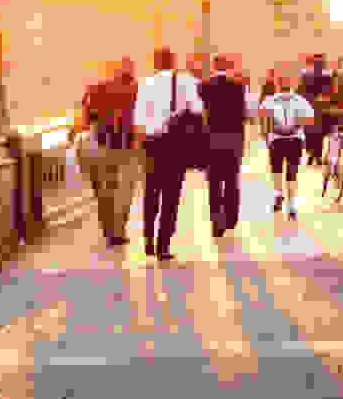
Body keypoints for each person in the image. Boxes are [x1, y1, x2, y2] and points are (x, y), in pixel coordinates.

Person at [133, 47, 204, 262]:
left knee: (151, 194)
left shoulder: (145, 84)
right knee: (171, 197)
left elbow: (138, 122)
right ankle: (163, 245)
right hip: (175, 145)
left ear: (155, 63)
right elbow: (198, 110)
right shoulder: (185, 81)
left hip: (152, 145)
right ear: (173, 61)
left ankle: (147, 240)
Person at [74, 56, 140, 248]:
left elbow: (86, 117)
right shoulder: (137, 89)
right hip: (126, 147)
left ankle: (110, 230)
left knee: (105, 191)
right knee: (124, 192)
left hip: (102, 144)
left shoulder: (95, 88)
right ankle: (117, 230)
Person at [199, 53, 251, 240]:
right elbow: (245, 114)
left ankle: (216, 222)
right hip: (233, 139)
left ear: (213, 66)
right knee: (231, 179)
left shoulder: (203, 86)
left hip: (211, 139)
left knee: (214, 182)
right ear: (228, 67)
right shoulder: (238, 87)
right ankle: (231, 218)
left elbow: (199, 113)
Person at [263, 71, 311, 220]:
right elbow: (309, 118)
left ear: (277, 84)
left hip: (276, 139)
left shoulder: (269, 100)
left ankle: (278, 194)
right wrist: (298, 126)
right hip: (294, 140)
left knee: (276, 170)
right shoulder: (300, 100)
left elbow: (262, 117)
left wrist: (266, 136)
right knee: (292, 173)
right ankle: (291, 206)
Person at [299, 54, 334, 167]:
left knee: (314, 133)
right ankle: (314, 155)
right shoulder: (325, 74)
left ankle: (314, 155)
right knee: (315, 134)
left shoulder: (307, 74)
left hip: (315, 107)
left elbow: (301, 90)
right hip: (318, 107)